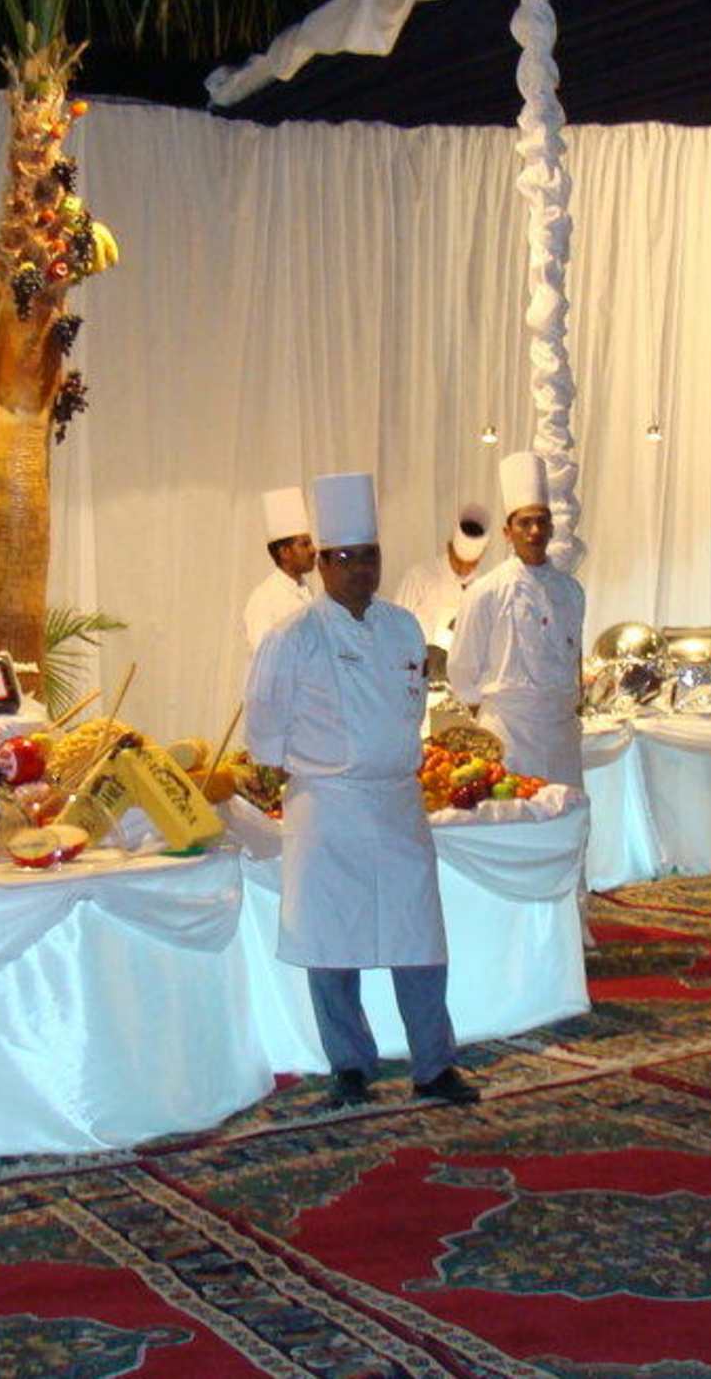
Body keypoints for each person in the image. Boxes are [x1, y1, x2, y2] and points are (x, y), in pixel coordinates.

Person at [244, 471, 479, 1109]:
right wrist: (279, 770)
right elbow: (264, 720)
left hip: (397, 801)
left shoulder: (403, 627)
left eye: (369, 556)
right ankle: (349, 1065)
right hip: (327, 805)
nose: (360, 570)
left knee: (419, 936)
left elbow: (413, 704)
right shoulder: (293, 636)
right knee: (332, 944)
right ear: (322, 563)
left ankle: (434, 1065)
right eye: (345, 558)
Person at [446, 453, 586, 791]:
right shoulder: (486, 591)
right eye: (525, 523)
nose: (534, 531)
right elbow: (461, 670)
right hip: (510, 735)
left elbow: (574, 662)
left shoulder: (571, 591)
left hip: (562, 736)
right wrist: (498, 712)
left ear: (552, 527)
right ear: (508, 532)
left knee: (566, 816)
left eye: (542, 521)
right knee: (515, 817)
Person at [391, 502, 489, 652]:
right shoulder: (419, 577)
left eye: (471, 565)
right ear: (449, 548)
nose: (464, 570)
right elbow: (395, 628)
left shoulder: (483, 587)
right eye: (458, 562)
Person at [242, 486, 315, 653]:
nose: (313, 550)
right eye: (304, 545)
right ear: (284, 552)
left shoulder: (307, 592)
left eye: (310, 543)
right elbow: (265, 655)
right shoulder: (264, 598)